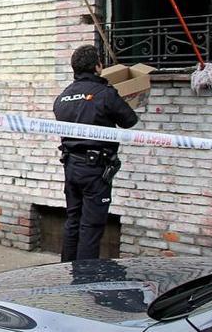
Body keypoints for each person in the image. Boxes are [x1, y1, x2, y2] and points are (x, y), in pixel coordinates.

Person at [53, 45, 138, 262]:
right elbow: (129, 120)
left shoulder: (62, 97)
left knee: (73, 220)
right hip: (95, 169)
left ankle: (66, 270)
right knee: (91, 226)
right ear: (97, 66)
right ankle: (84, 280)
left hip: (71, 166)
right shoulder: (105, 94)